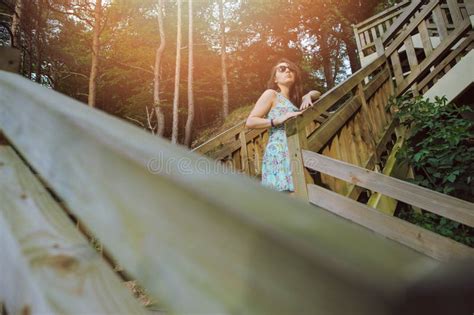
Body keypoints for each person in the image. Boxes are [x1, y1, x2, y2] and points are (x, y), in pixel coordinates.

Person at [245, 58, 321, 195]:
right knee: (284, 195)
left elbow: (318, 93)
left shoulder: (296, 101)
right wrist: (277, 120)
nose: (287, 70)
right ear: (275, 78)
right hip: (279, 150)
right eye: (282, 69)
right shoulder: (271, 94)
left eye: (291, 69)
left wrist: (308, 95)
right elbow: (250, 121)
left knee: (301, 194)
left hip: (296, 149)